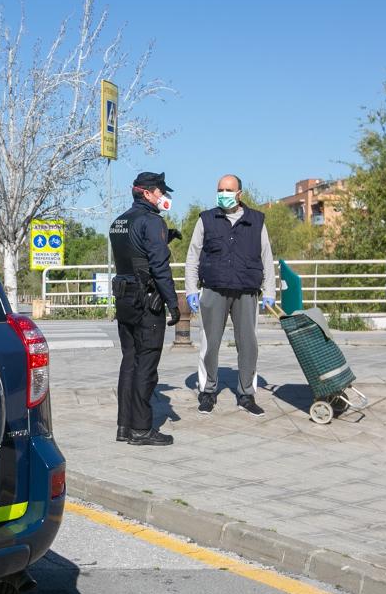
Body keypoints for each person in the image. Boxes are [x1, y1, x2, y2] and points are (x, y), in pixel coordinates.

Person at [183, 174, 276, 417]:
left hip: (246, 291)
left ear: (240, 194)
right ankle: (207, 391)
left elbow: (266, 256)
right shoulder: (207, 219)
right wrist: (192, 289)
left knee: (248, 344)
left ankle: (246, 393)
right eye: (220, 189)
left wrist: (269, 290)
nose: (224, 193)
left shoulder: (256, 220)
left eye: (228, 189)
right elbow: (193, 255)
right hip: (213, 289)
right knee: (209, 343)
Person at [109, 172, 181, 445]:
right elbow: (159, 267)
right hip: (147, 301)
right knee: (146, 364)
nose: (164, 197)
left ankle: (124, 427)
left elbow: (134, 255)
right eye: (161, 192)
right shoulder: (152, 221)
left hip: (124, 298)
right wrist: (172, 303)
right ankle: (141, 429)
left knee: (129, 361)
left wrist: (165, 239)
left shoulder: (120, 221)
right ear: (148, 193)